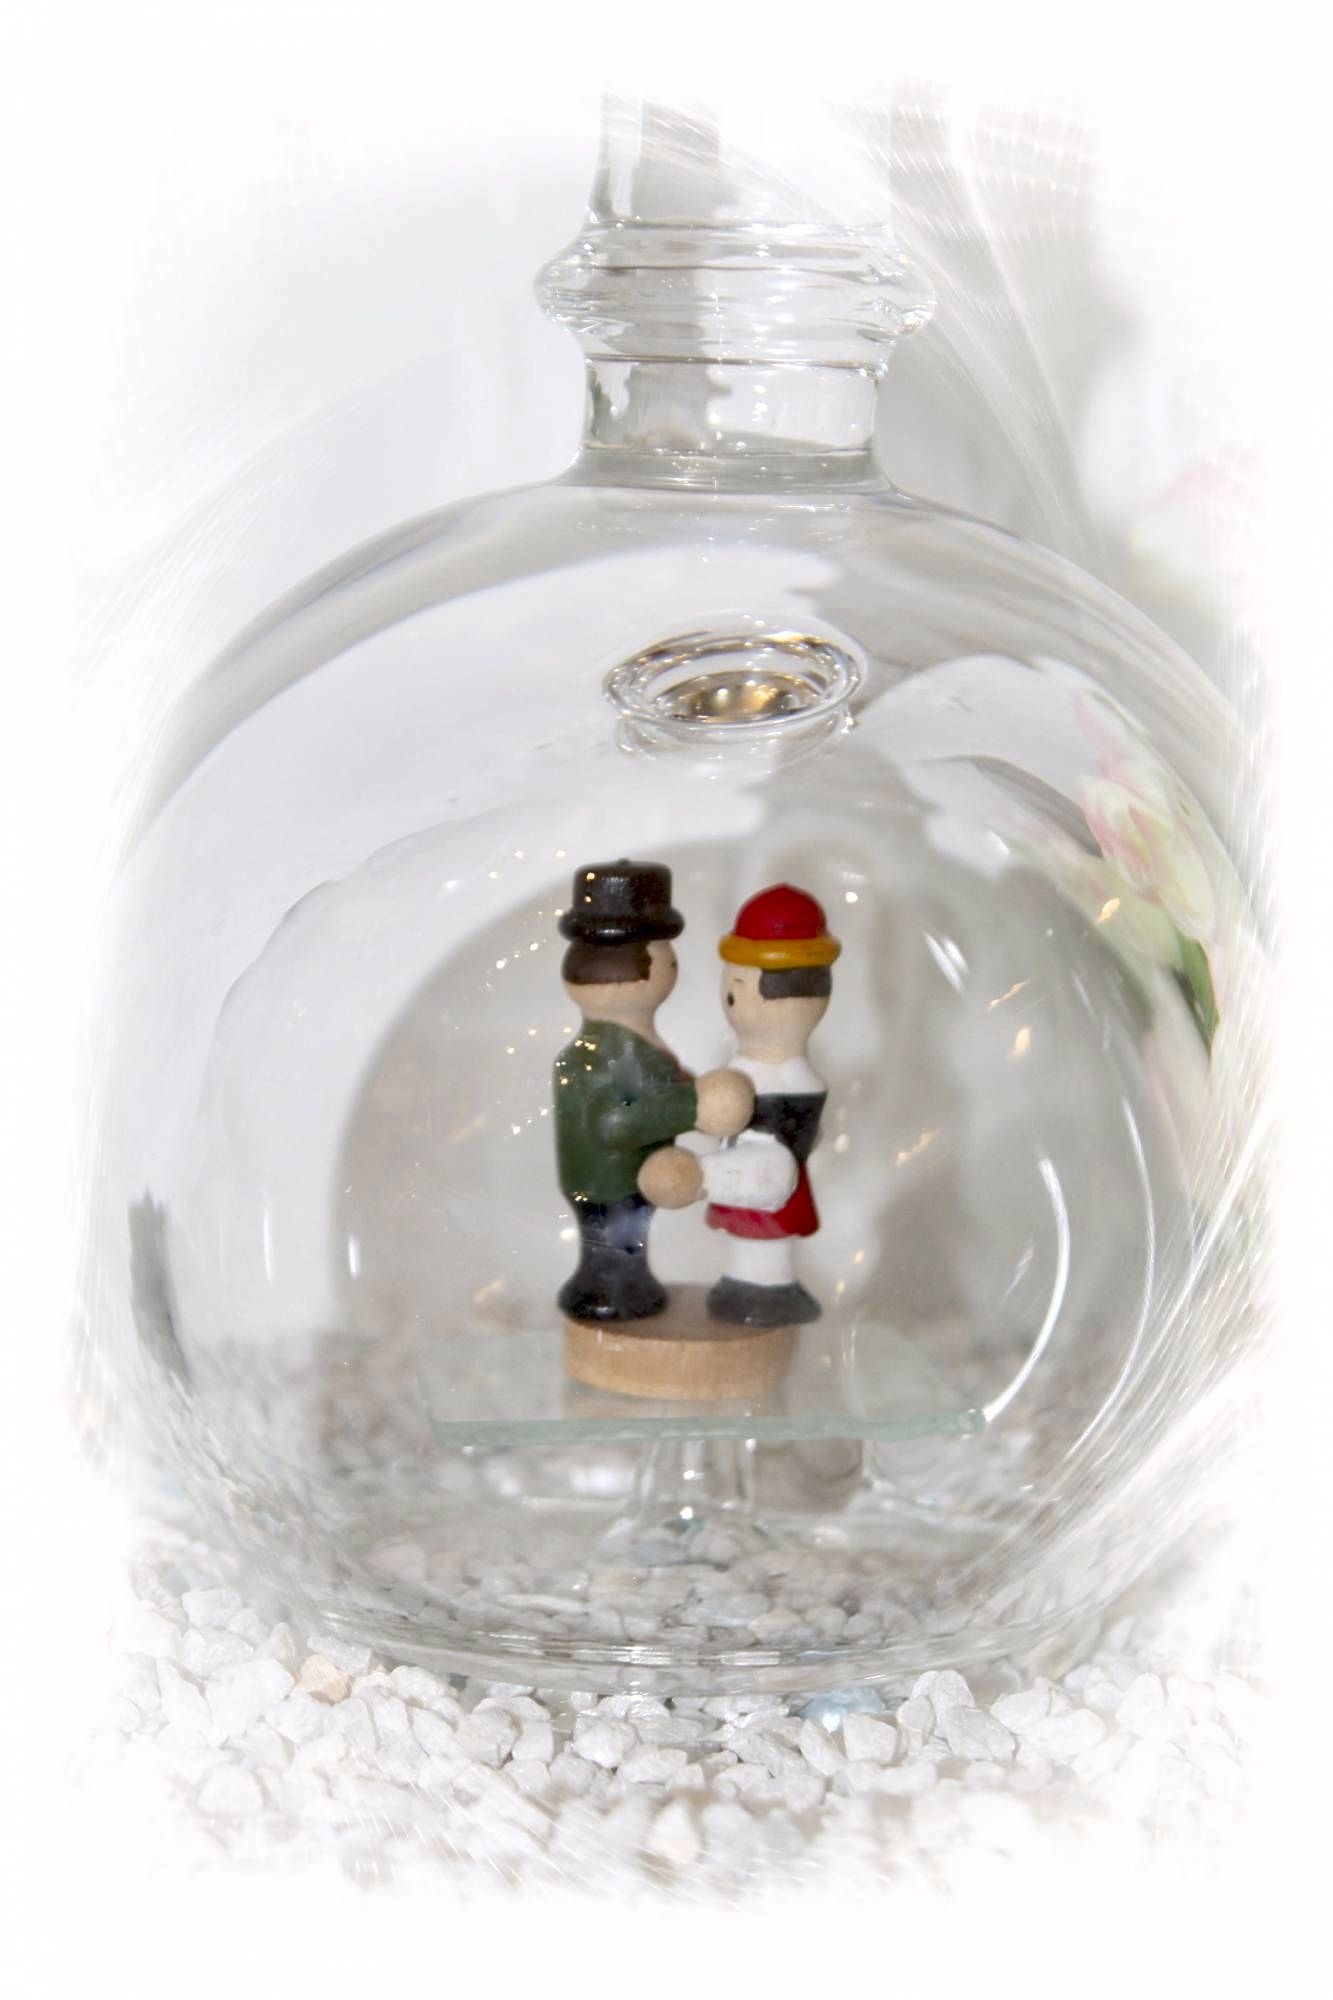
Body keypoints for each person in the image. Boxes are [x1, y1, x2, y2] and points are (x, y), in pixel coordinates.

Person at [553, 859, 751, 1322]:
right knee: (616, 1241)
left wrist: (686, 1092)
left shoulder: (626, 1046)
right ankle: (609, 1288)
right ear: (641, 969)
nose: (672, 965)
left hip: (627, 1178)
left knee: (628, 1236)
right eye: (667, 955)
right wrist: (692, 1106)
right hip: (610, 1182)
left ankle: (621, 1282)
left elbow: (647, 1096)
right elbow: (616, 1123)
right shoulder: (608, 1055)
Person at [639, 884, 839, 1328]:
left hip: (765, 1190)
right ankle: (750, 1284)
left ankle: (765, 1290)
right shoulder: (771, 1072)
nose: (728, 1001)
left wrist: (701, 1177)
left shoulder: (788, 1083)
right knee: (751, 1243)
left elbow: (773, 1166)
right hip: (751, 1181)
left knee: (764, 1246)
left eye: (737, 989)